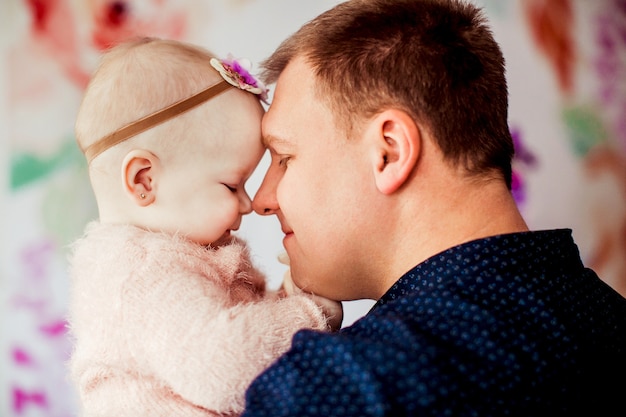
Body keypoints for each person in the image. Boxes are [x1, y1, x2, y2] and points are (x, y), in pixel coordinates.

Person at [242, 0, 626, 416]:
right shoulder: (610, 319)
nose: (262, 200)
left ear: (389, 152)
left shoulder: (342, 384)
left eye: (284, 157)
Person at [66, 37, 342, 417]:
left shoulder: (161, 260)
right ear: (145, 180)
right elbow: (224, 366)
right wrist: (308, 315)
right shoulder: (142, 274)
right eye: (232, 185)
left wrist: (279, 301)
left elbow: (224, 335)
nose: (248, 204)